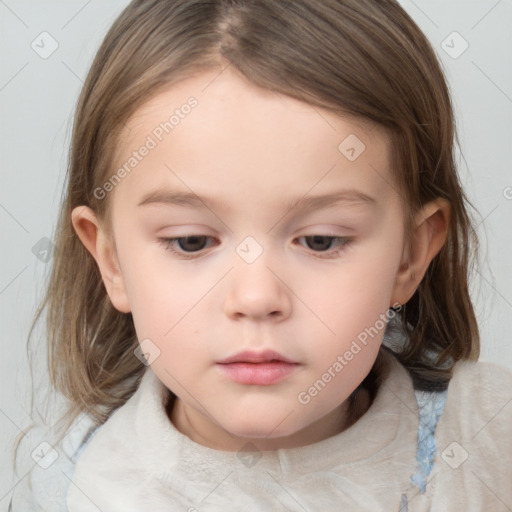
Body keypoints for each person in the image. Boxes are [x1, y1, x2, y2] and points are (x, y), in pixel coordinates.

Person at [9, 0, 512, 510]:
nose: (255, 297)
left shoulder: (490, 441)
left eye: (320, 240)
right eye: (191, 241)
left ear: (410, 254)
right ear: (111, 262)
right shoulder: (71, 488)